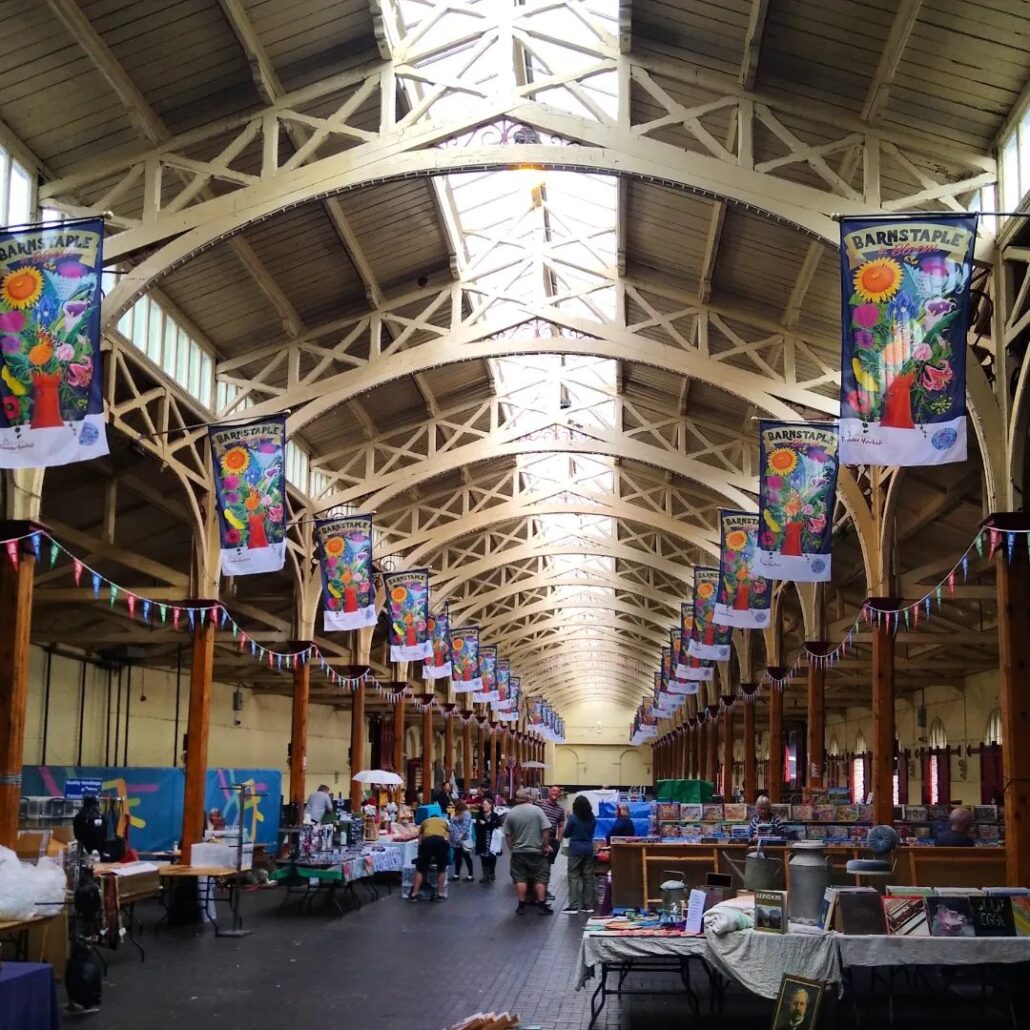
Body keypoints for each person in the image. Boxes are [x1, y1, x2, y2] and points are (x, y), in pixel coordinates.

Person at [504, 788, 553, 915]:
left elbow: (507, 834)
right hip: (536, 851)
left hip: (518, 852)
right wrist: (545, 845)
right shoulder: (537, 810)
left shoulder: (511, 813)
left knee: (520, 878)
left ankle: (521, 905)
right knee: (540, 878)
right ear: (528, 798)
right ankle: (542, 905)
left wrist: (511, 849)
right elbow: (546, 828)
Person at [562, 795, 597, 914]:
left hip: (576, 849)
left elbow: (566, 834)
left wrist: (567, 818)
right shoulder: (592, 818)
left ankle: (573, 905)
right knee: (588, 877)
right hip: (588, 849)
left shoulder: (573, 818)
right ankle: (588, 905)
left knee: (573, 876)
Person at [407, 809, 450, 902]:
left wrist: (420, 854)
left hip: (428, 841)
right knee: (441, 869)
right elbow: (447, 838)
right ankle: (440, 894)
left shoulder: (425, 822)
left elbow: (420, 839)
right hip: (440, 841)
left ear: (430, 818)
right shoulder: (444, 822)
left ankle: (414, 894)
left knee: (420, 869)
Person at [536, 784, 566, 898]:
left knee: (547, 866)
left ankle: (545, 890)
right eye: (553, 791)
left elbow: (561, 825)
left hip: (552, 839)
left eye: (558, 792)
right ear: (549, 792)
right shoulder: (540, 804)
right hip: (538, 838)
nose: (555, 793)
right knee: (537, 864)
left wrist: (558, 840)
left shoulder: (560, 810)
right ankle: (534, 891)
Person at [473, 795, 503, 883]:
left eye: (485, 804)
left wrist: (486, 824)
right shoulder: (480, 815)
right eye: (483, 805)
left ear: (490, 805)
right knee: (483, 857)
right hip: (482, 839)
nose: (484, 806)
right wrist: (486, 825)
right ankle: (485, 875)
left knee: (492, 856)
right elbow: (478, 827)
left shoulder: (495, 815)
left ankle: (492, 871)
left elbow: (497, 825)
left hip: (492, 839)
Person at [449, 800, 475, 882]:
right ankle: (457, 874)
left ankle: (470, 875)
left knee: (466, 857)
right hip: (457, 840)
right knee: (458, 857)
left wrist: (459, 837)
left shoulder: (466, 814)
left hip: (463, 840)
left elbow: (465, 827)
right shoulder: (461, 813)